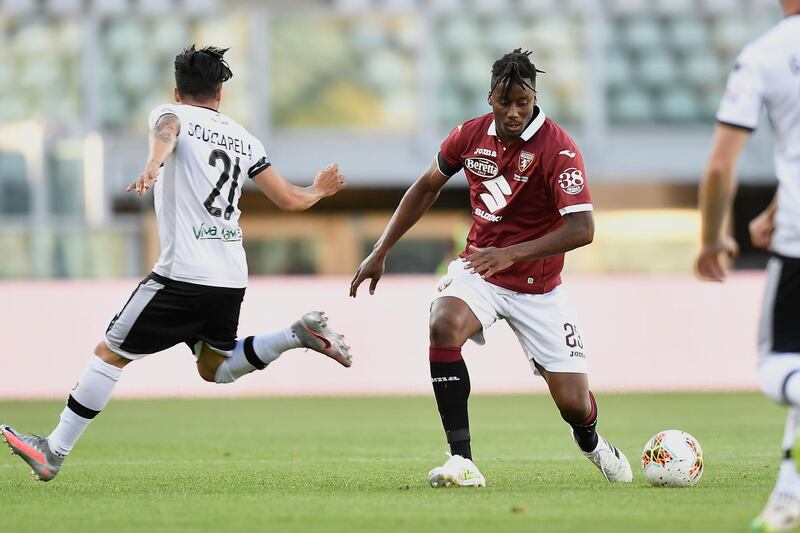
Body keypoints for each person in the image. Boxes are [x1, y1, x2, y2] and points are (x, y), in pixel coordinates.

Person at [1, 45, 352, 482]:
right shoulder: (245, 139)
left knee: (110, 354)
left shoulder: (171, 113)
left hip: (182, 273)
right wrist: (319, 189)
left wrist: (151, 164)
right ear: (220, 94)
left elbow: (167, 130)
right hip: (229, 277)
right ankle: (295, 334)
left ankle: (53, 450)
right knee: (215, 369)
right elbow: (288, 199)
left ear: (177, 90)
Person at [350, 48, 632, 487]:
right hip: (479, 269)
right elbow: (426, 187)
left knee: (574, 403)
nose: (515, 112)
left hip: (540, 289)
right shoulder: (469, 135)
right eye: (506, 102)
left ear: (535, 98)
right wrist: (381, 248)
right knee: (443, 325)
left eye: (524, 102)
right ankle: (462, 459)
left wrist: (514, 253)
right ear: (490, 98)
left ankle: (592, 441)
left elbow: (583, 228)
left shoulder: (558, 148)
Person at [695, 2, 800, 530]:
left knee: (777, 366)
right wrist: (774, 210)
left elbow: (719, 164)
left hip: (798, 245)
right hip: (790, 217)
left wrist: (712, 238)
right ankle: (788, 499)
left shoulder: (767, 54)